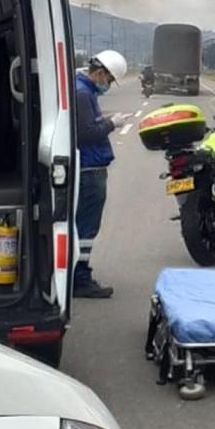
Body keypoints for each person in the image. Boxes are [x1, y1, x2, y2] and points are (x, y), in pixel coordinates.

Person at [74, 50, 130, 299]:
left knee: (82, 225)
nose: (108, 85)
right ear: (101, 73)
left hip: (86, 167)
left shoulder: (82, 90)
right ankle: (80, 279)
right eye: (109, 80)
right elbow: (86, 134)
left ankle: (76, 274)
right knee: (86, 227)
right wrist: (112, 124)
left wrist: (105, 121)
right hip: (89, 170)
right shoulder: (83, 94)